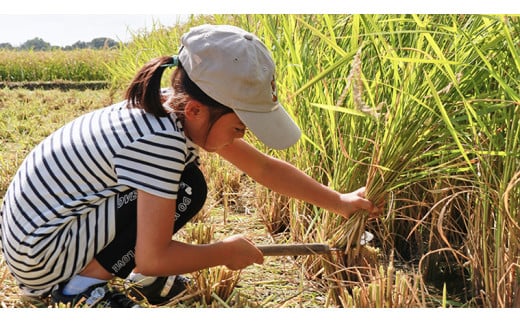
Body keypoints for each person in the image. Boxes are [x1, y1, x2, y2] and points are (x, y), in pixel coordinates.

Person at [0, 24, 382, 308]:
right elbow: (155, 253)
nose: (242, 138)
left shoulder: (173, 108)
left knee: (188, 186)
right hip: (42, 256)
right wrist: (223, 251)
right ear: (198, 110)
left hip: (39, 238)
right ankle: (78, 290)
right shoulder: (159, 142)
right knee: (187, 188)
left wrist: (341, 201)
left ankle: (133, 279)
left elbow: (264, 170)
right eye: (238, 127)